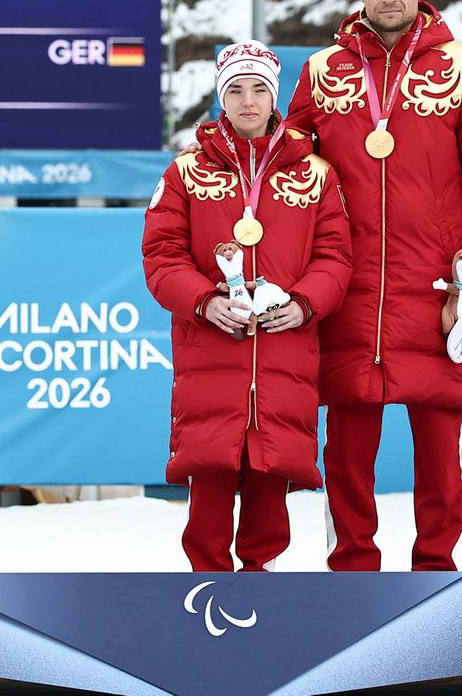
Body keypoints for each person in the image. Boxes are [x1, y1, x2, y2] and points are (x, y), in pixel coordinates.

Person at [285, 0, 462, 571]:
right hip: (347, 287)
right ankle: (351, 566)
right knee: (347, 448)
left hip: (440, 289)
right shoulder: (320, 71)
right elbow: (289, 177)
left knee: (440, 446)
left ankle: (435, 568)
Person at [143, 42, 352, 572]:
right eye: (235, 89)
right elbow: (161, 256)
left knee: (269, 483)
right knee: (209, 483)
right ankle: (206, 590)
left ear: (275, 96)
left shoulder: (317, 174)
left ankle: (263, 590)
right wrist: (204, 302)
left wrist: (305, 304)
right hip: (211, 354)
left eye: (259, 88)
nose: (247, 100)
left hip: (285, 354)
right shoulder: (184, 172)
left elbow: (336, 257)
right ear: (221, 98)